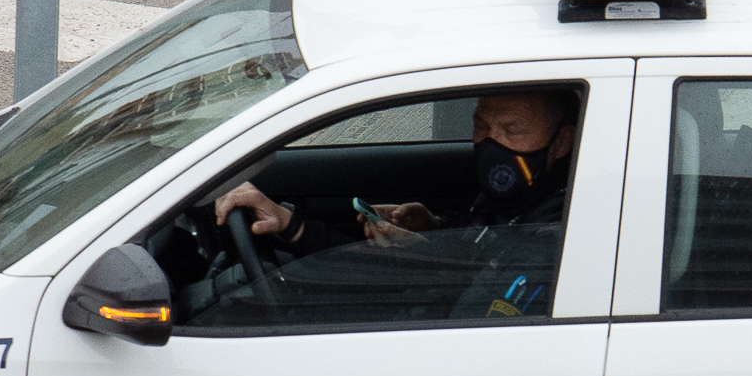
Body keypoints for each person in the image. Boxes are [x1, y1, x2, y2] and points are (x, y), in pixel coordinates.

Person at [212, 88, 580, 265]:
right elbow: (481, 240)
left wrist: (424, 257)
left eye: (511, 132)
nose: (491, 142)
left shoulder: (555, 230)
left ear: (562, 141)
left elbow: (465, 290)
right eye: (481, 125)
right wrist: (434, 227)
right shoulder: (518, 194)